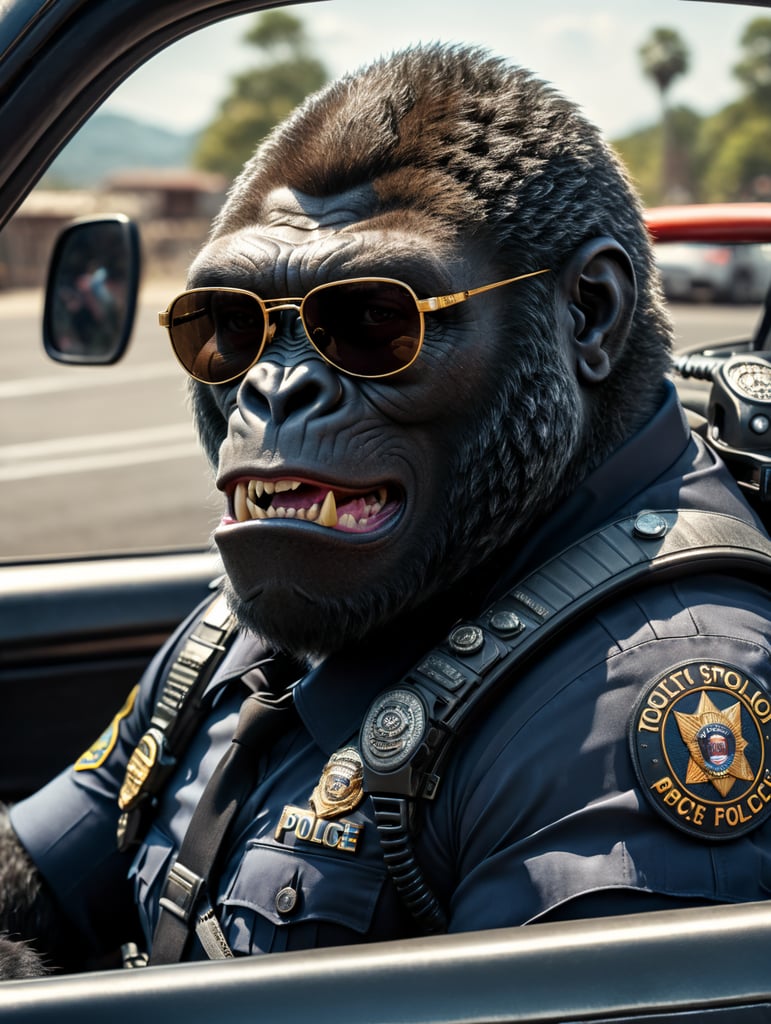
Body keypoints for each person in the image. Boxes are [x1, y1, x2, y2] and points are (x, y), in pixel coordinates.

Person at [1, 42, 770, 977]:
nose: (274, 386)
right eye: (233, 326)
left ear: (587, 315)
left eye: (375, 320)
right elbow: (41, 870)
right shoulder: (270, 603)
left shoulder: (650, 701)